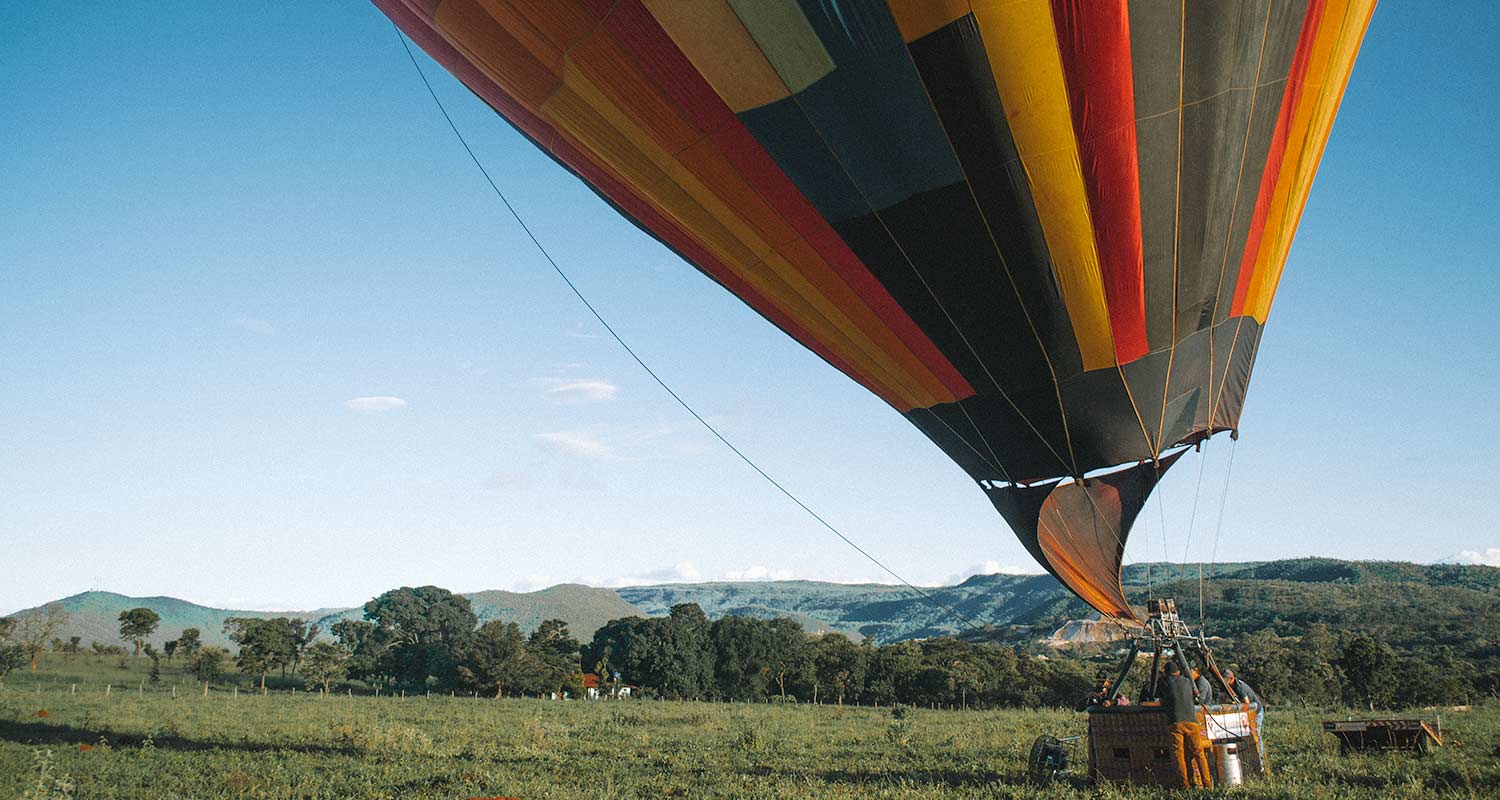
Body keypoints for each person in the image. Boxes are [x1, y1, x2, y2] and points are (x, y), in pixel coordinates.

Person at [1162, 662, 1213, 788]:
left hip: (1175, 722)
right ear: (1178, 672)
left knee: (1179, 754)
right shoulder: (1188, 681)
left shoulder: (1164, 682)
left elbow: (1160, 699)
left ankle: (1185, 785)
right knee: (1199, 753)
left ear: (1166, 673)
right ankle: (1207, 783)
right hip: (1191, 721)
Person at [1223, 668, 1264, 760]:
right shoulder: (1231, 687)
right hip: (1249, 713)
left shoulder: (1240, 687)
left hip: (1256, 712)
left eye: (1226, 680)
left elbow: (1247, 704)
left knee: (1256, 735)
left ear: (1231, 678)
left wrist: (1237, 705)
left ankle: (1260, 760)